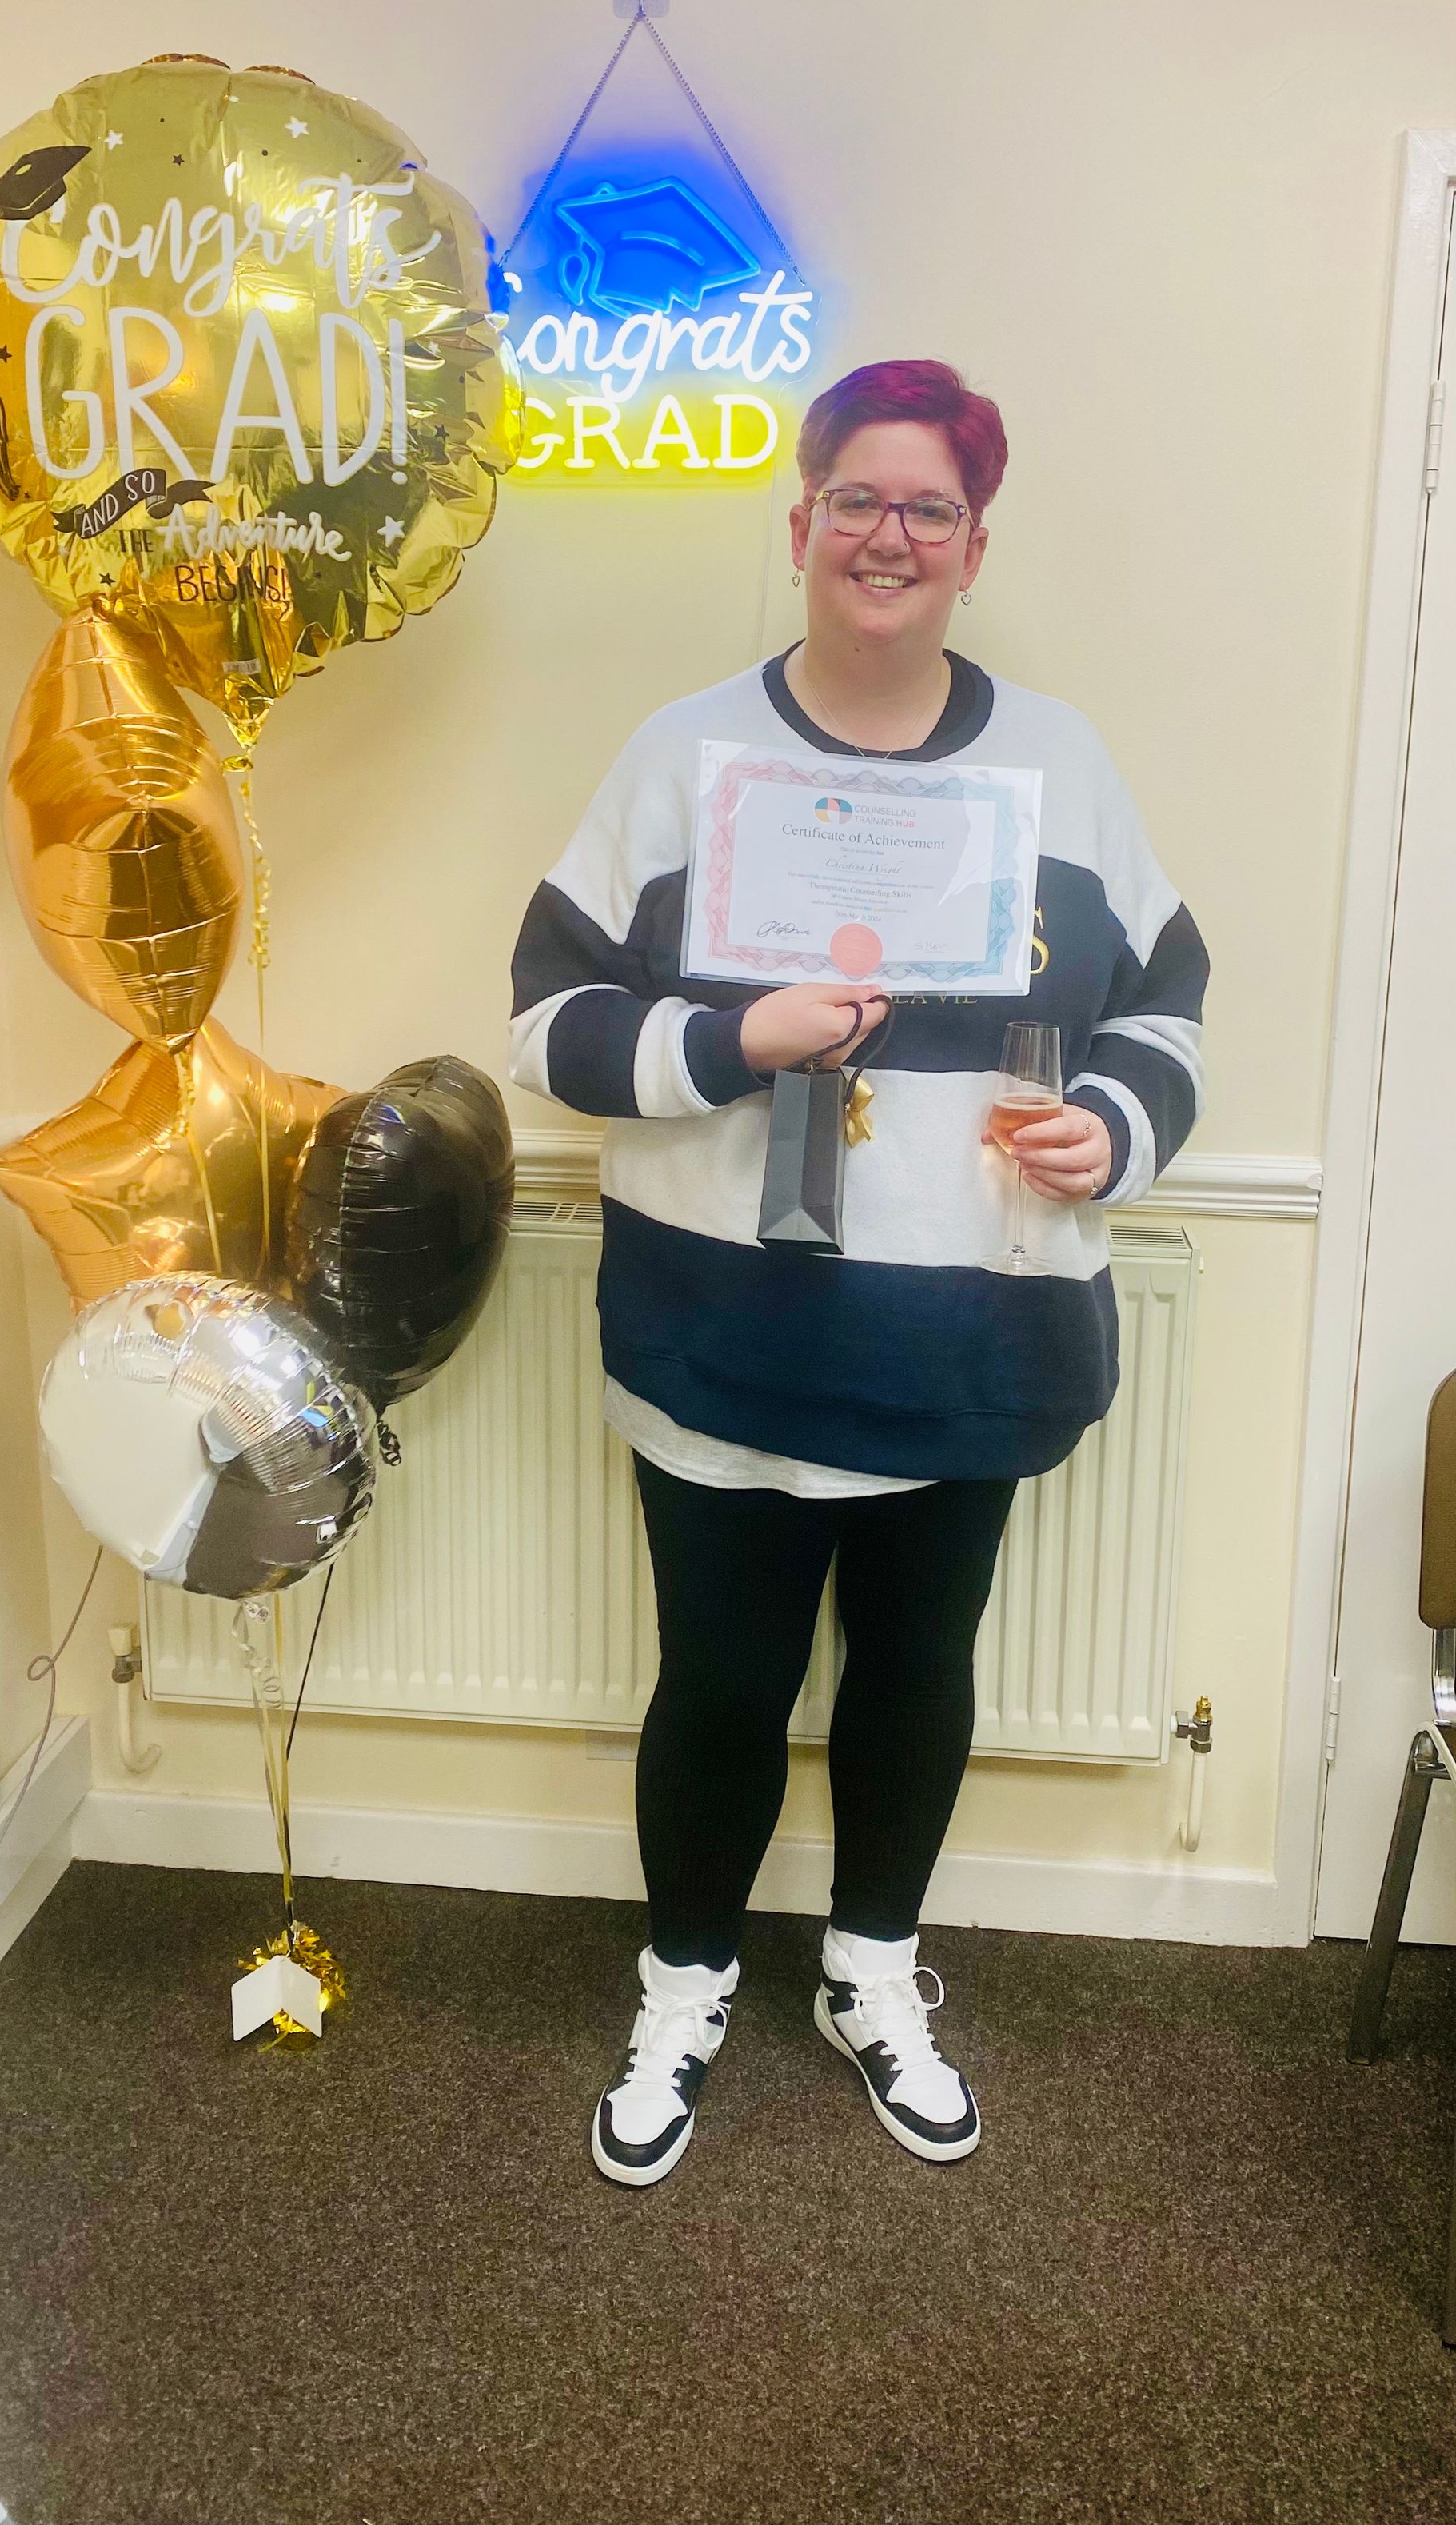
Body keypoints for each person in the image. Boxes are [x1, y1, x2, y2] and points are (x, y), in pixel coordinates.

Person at [510, 358, 1207, 2187]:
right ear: (799, 519)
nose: (887, 535)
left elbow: (1170, 1003)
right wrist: (734, 1045)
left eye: (928, 510)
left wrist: (1115, 1133)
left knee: (919, 1669)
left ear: (975, 546)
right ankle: (684, 1983)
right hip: (727, 1335)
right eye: (857, 499)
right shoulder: (686, 757)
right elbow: (548, 1023)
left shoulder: (1062, 762)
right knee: (722, 1684)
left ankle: (873, 1973)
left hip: (961, 1335)